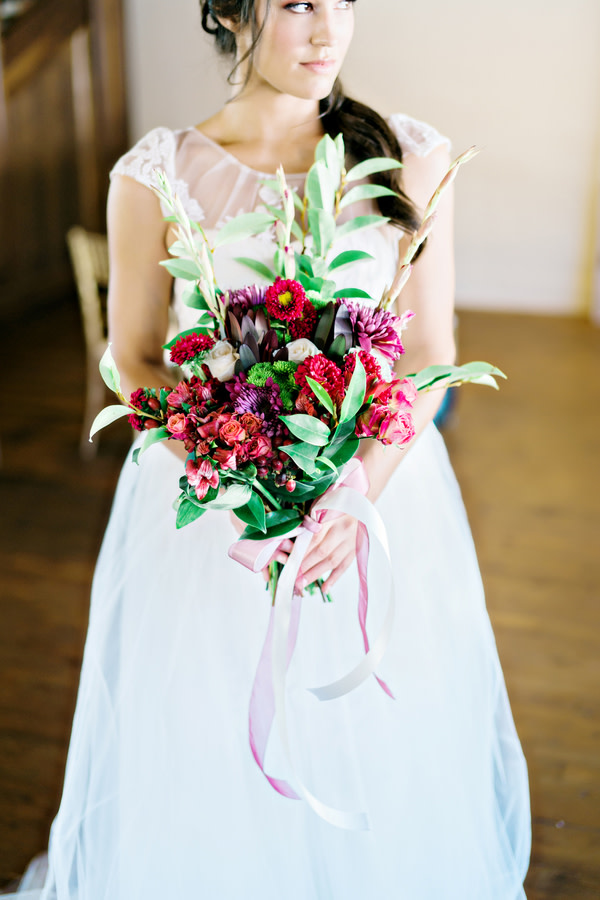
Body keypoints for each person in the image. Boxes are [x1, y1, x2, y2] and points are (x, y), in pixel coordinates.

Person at [35, 1, 531, 897]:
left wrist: (352, 489)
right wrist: (236, 467)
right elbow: (134, 359)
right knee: (211, 748)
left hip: (376, 506)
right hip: (214, 522)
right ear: (227, 10)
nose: (326, 30)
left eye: (342, 2)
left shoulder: (412, 157)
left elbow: (430, 357)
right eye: (297, 3)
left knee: (378, 745)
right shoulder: (156, 175)